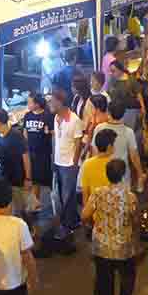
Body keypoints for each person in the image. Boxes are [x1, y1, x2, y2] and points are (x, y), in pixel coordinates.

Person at [82, 158, 140, 295]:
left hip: (101, 247)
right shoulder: (130, 197)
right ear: (123, 175)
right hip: (124, 248)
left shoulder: (98, 193)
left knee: (104, 280)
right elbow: (136, 221)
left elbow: (84, 215)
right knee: (127, 279)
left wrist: (96, 224)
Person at [49, 88, 84, 243]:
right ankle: (73, 220)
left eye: (52, 101)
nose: (50, 103)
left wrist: (74, 163)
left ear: (60, 102)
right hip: (57, 161)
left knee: (67, 196)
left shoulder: (75, 120)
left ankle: (67, 225)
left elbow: (78, 144)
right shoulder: (56, 117)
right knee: (62, 196)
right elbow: (56, 139)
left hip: (69, 164)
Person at [87, 101, 144, 192]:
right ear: (124, 113)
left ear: (108, 112)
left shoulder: (99, 128)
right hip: (121, 174)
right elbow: (134, 156)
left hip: (103, 172)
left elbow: (94, 152)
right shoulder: (128, 132)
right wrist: (140, 173)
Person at [21, 94, 54, 222]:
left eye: (29, 102)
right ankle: (35, 206)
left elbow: (52, 133)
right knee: (34, 181)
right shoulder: (27, 115)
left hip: (44, 154)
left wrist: (48, 132)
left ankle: (54, 204)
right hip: (30, 154)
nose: (28, 105)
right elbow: (25, 133)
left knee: (43, 180)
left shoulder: (47, 116)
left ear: (37, 104)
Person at [0, 108, 31, 193]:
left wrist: (28, 178)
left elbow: (26, 157)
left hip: (16, 180)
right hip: (3, 177)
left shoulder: (16, 135)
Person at [79, 128, 117, 208]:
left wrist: (86, 210)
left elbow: (85, 192)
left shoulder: (87, 164)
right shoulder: (114, 164)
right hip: (110, 208)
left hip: (93, 209)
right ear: (109, 147)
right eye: (114, 144)